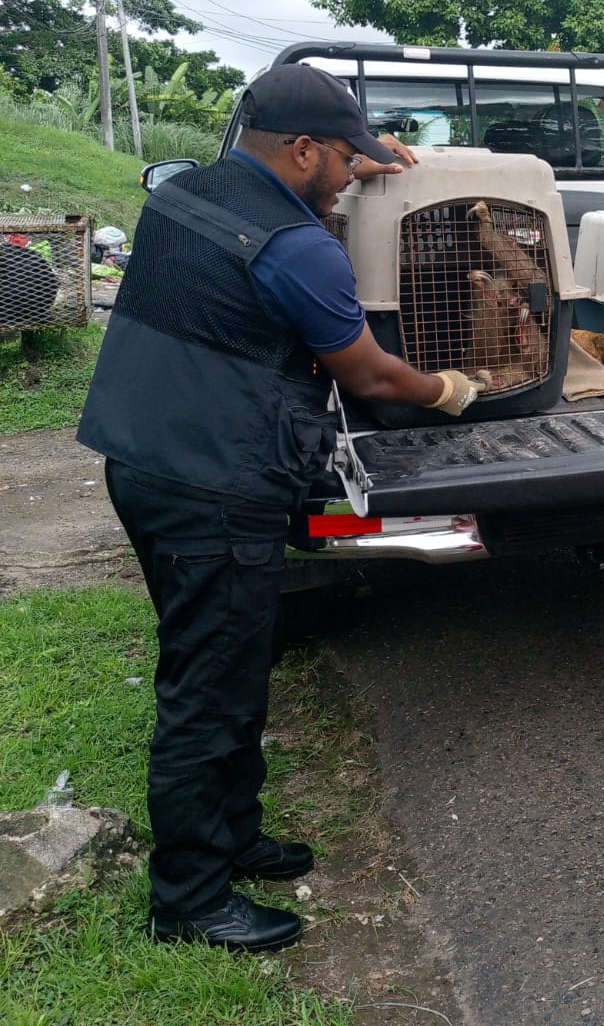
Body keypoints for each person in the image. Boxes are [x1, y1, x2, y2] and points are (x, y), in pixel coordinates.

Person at [77, 63, 488, 954]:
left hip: (143, 460)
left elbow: (280, 209)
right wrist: (450, 388)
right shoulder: (298, 247)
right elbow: (372, 375)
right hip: (214, 486)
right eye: (341, 159)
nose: (347, 178)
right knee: (209, 685)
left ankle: (235, 835)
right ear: (302, 150)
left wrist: (363, 159)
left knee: (237, 654)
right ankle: (189, 898)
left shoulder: (185, 195)